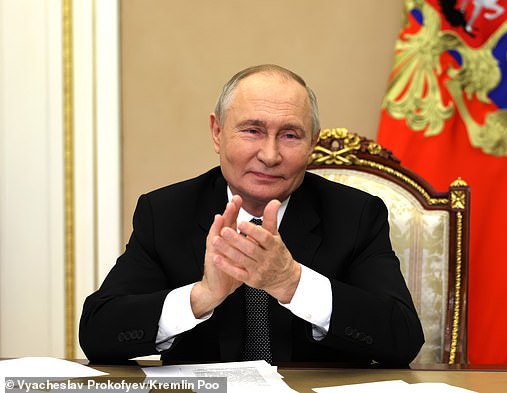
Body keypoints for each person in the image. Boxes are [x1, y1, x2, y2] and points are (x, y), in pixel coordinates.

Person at [79, 64, 424, 367]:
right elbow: (97, 333)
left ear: (312, 143)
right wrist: (201, 297)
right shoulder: (167, 212)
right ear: (217, 133)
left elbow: (402, 339)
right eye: (252, 131)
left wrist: (292, 283)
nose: (270, 155)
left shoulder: (356, 215)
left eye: (290, 135)